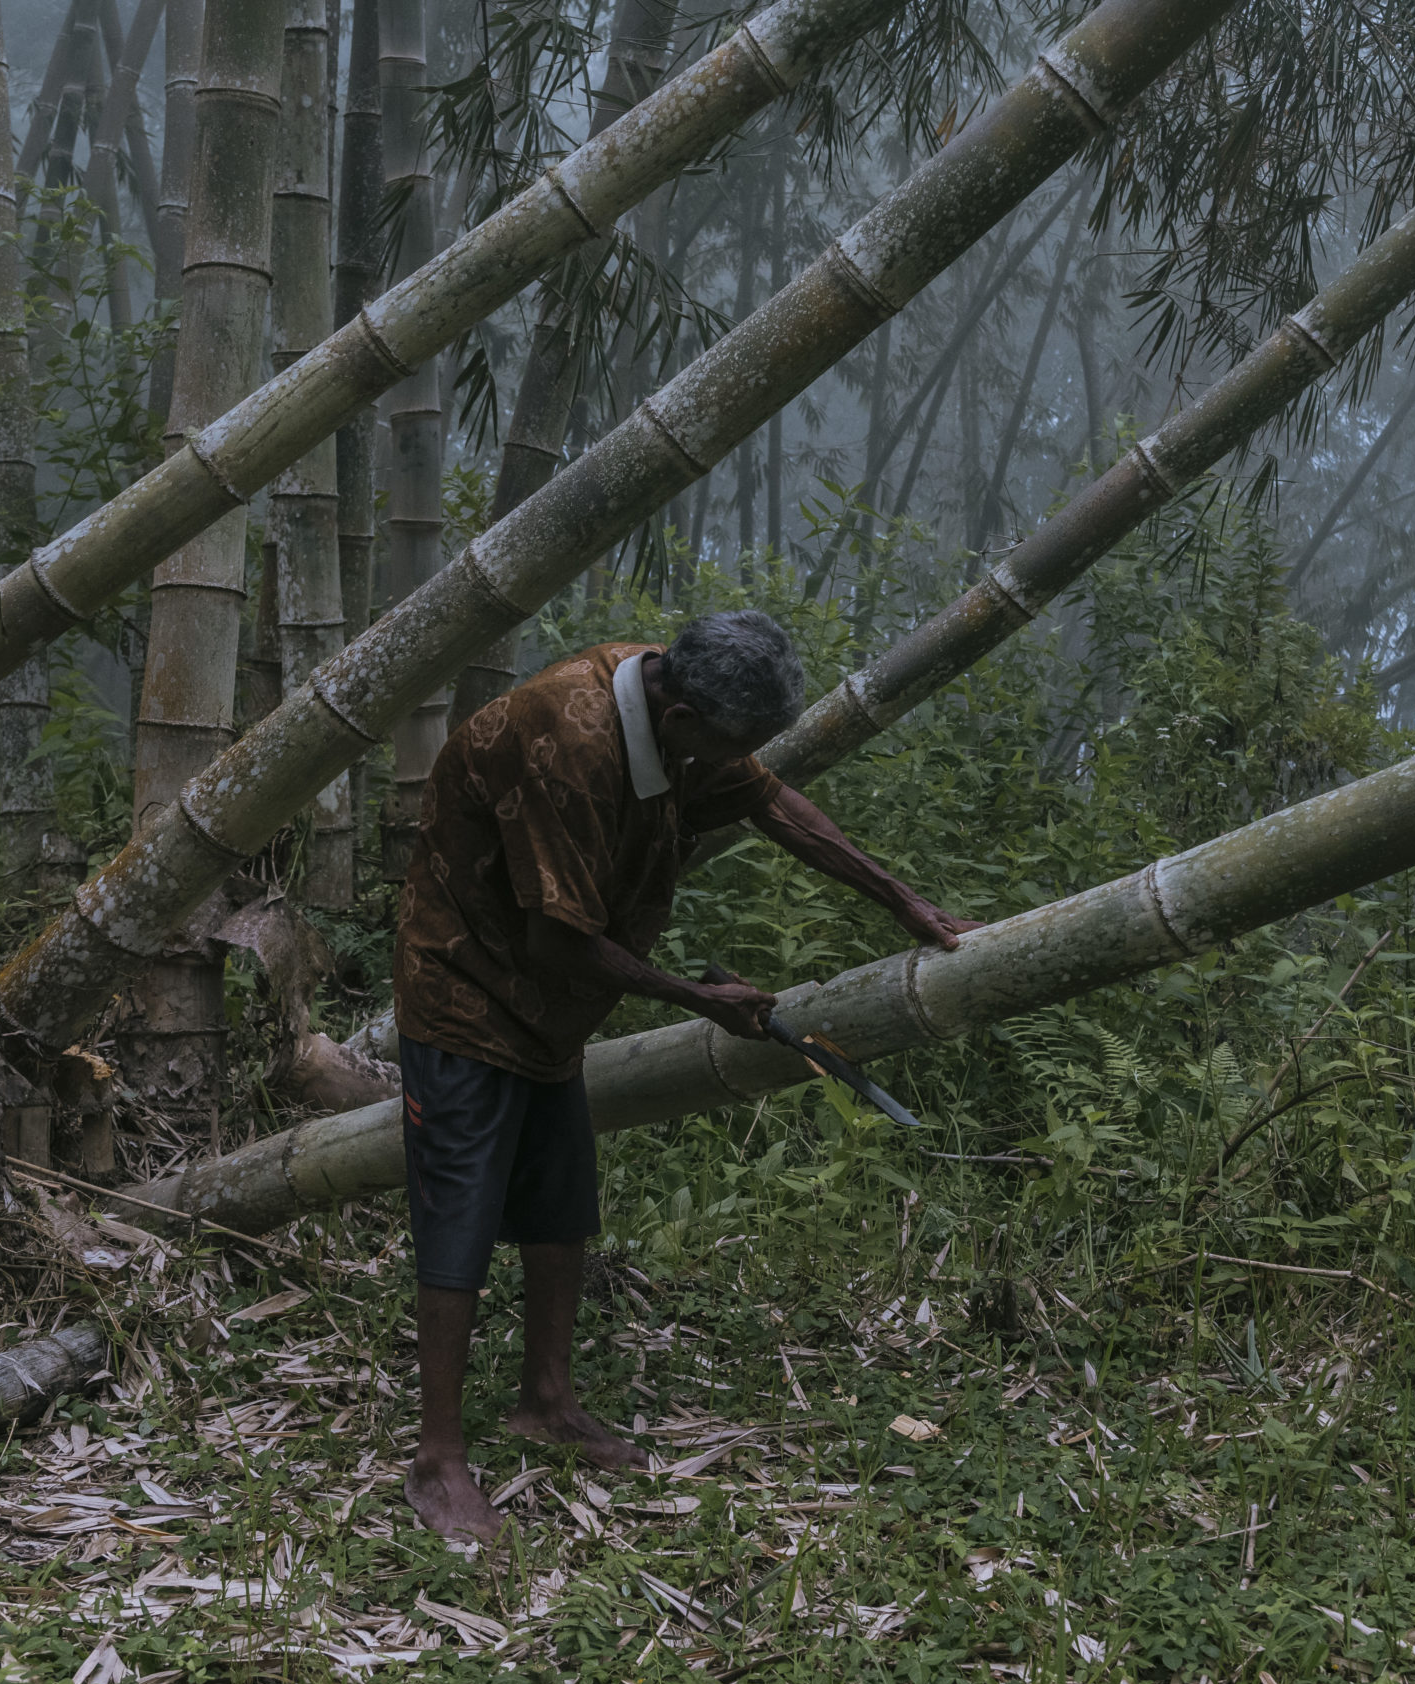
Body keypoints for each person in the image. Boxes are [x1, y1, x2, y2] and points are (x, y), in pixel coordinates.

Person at [392, 611, 977, 1539]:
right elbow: (559, 934)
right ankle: (438, 1458)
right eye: (730, 745)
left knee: (559, 1204)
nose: (736, 762)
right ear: (682, 719)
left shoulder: (665, 692)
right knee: (459, 1213)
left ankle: (546, 1399)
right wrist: (701, 1000)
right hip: (468, 987)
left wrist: (906, 902)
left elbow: (771, 803)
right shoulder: (568, 737)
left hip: (552, 1010)